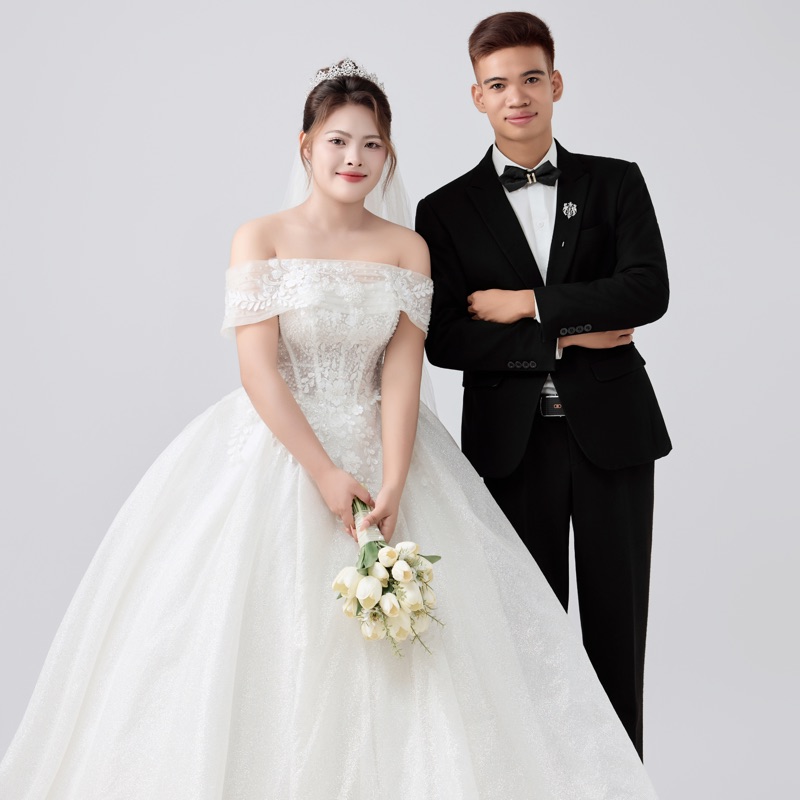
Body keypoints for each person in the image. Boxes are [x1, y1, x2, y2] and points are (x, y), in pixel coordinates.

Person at [0, 60, 659, 798]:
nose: (354, 158)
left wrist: (396, 477)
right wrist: (323, 472)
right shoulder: (260, 238)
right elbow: (259, 372)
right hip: (278, 452)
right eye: (339, 141)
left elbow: (402, 372)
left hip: (388, 449)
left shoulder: (407, 248)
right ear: (306, 144)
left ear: (388, 154)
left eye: (372, 144)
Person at [416, 12, 671, 758]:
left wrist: (528, 305)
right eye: (498, 84)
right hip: (511, 448)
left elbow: (647, 290)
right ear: (477, 96)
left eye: (531, 79)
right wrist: (566, 333)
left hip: (614, 438)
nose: (517, 96)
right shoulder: (444, 210)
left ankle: (622, 786)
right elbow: (446, 338)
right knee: (526, 635)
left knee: (618, 633)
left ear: (555, 83)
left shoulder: (615, 182)